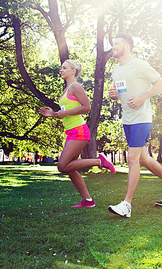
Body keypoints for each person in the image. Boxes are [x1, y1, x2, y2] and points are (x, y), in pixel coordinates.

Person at [107, 32, 162, 218]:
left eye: (117, 43)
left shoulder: (139, 65)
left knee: (132, 158)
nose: (113, 46)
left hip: (142, 118)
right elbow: (120, 93)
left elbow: (161, 84)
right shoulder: (116, 70)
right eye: (113, 44)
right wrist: (114, 95)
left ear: (127, 46)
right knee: (142, 159)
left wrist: (141, 98)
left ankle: (126, 205)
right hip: (128, 119)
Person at [39, 59, 115, 208]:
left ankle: (99, 161)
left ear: (73, 71)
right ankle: (88, 201)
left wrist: (63, 112)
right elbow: (65, 114)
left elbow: (86, 107)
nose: (61, 70)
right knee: (70, 167)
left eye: (64, 68)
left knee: (62, 166)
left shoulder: (76, 86)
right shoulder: (67, 89)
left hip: (79, 130)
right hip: (71, 132)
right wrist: (53, 114)